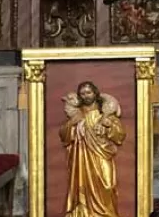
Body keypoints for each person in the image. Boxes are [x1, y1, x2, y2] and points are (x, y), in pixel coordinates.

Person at [60, 81, 126, 217]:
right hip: (81, 157)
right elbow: (64, 135)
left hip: (101, 154)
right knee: (81, 185)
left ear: (95, 93)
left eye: (88, 92)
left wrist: (108, 127)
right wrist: (72, 123)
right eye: (82, 94)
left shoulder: (105, 113)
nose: (86, 96)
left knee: (107, 185)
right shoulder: (77, 114)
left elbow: (120, 134)